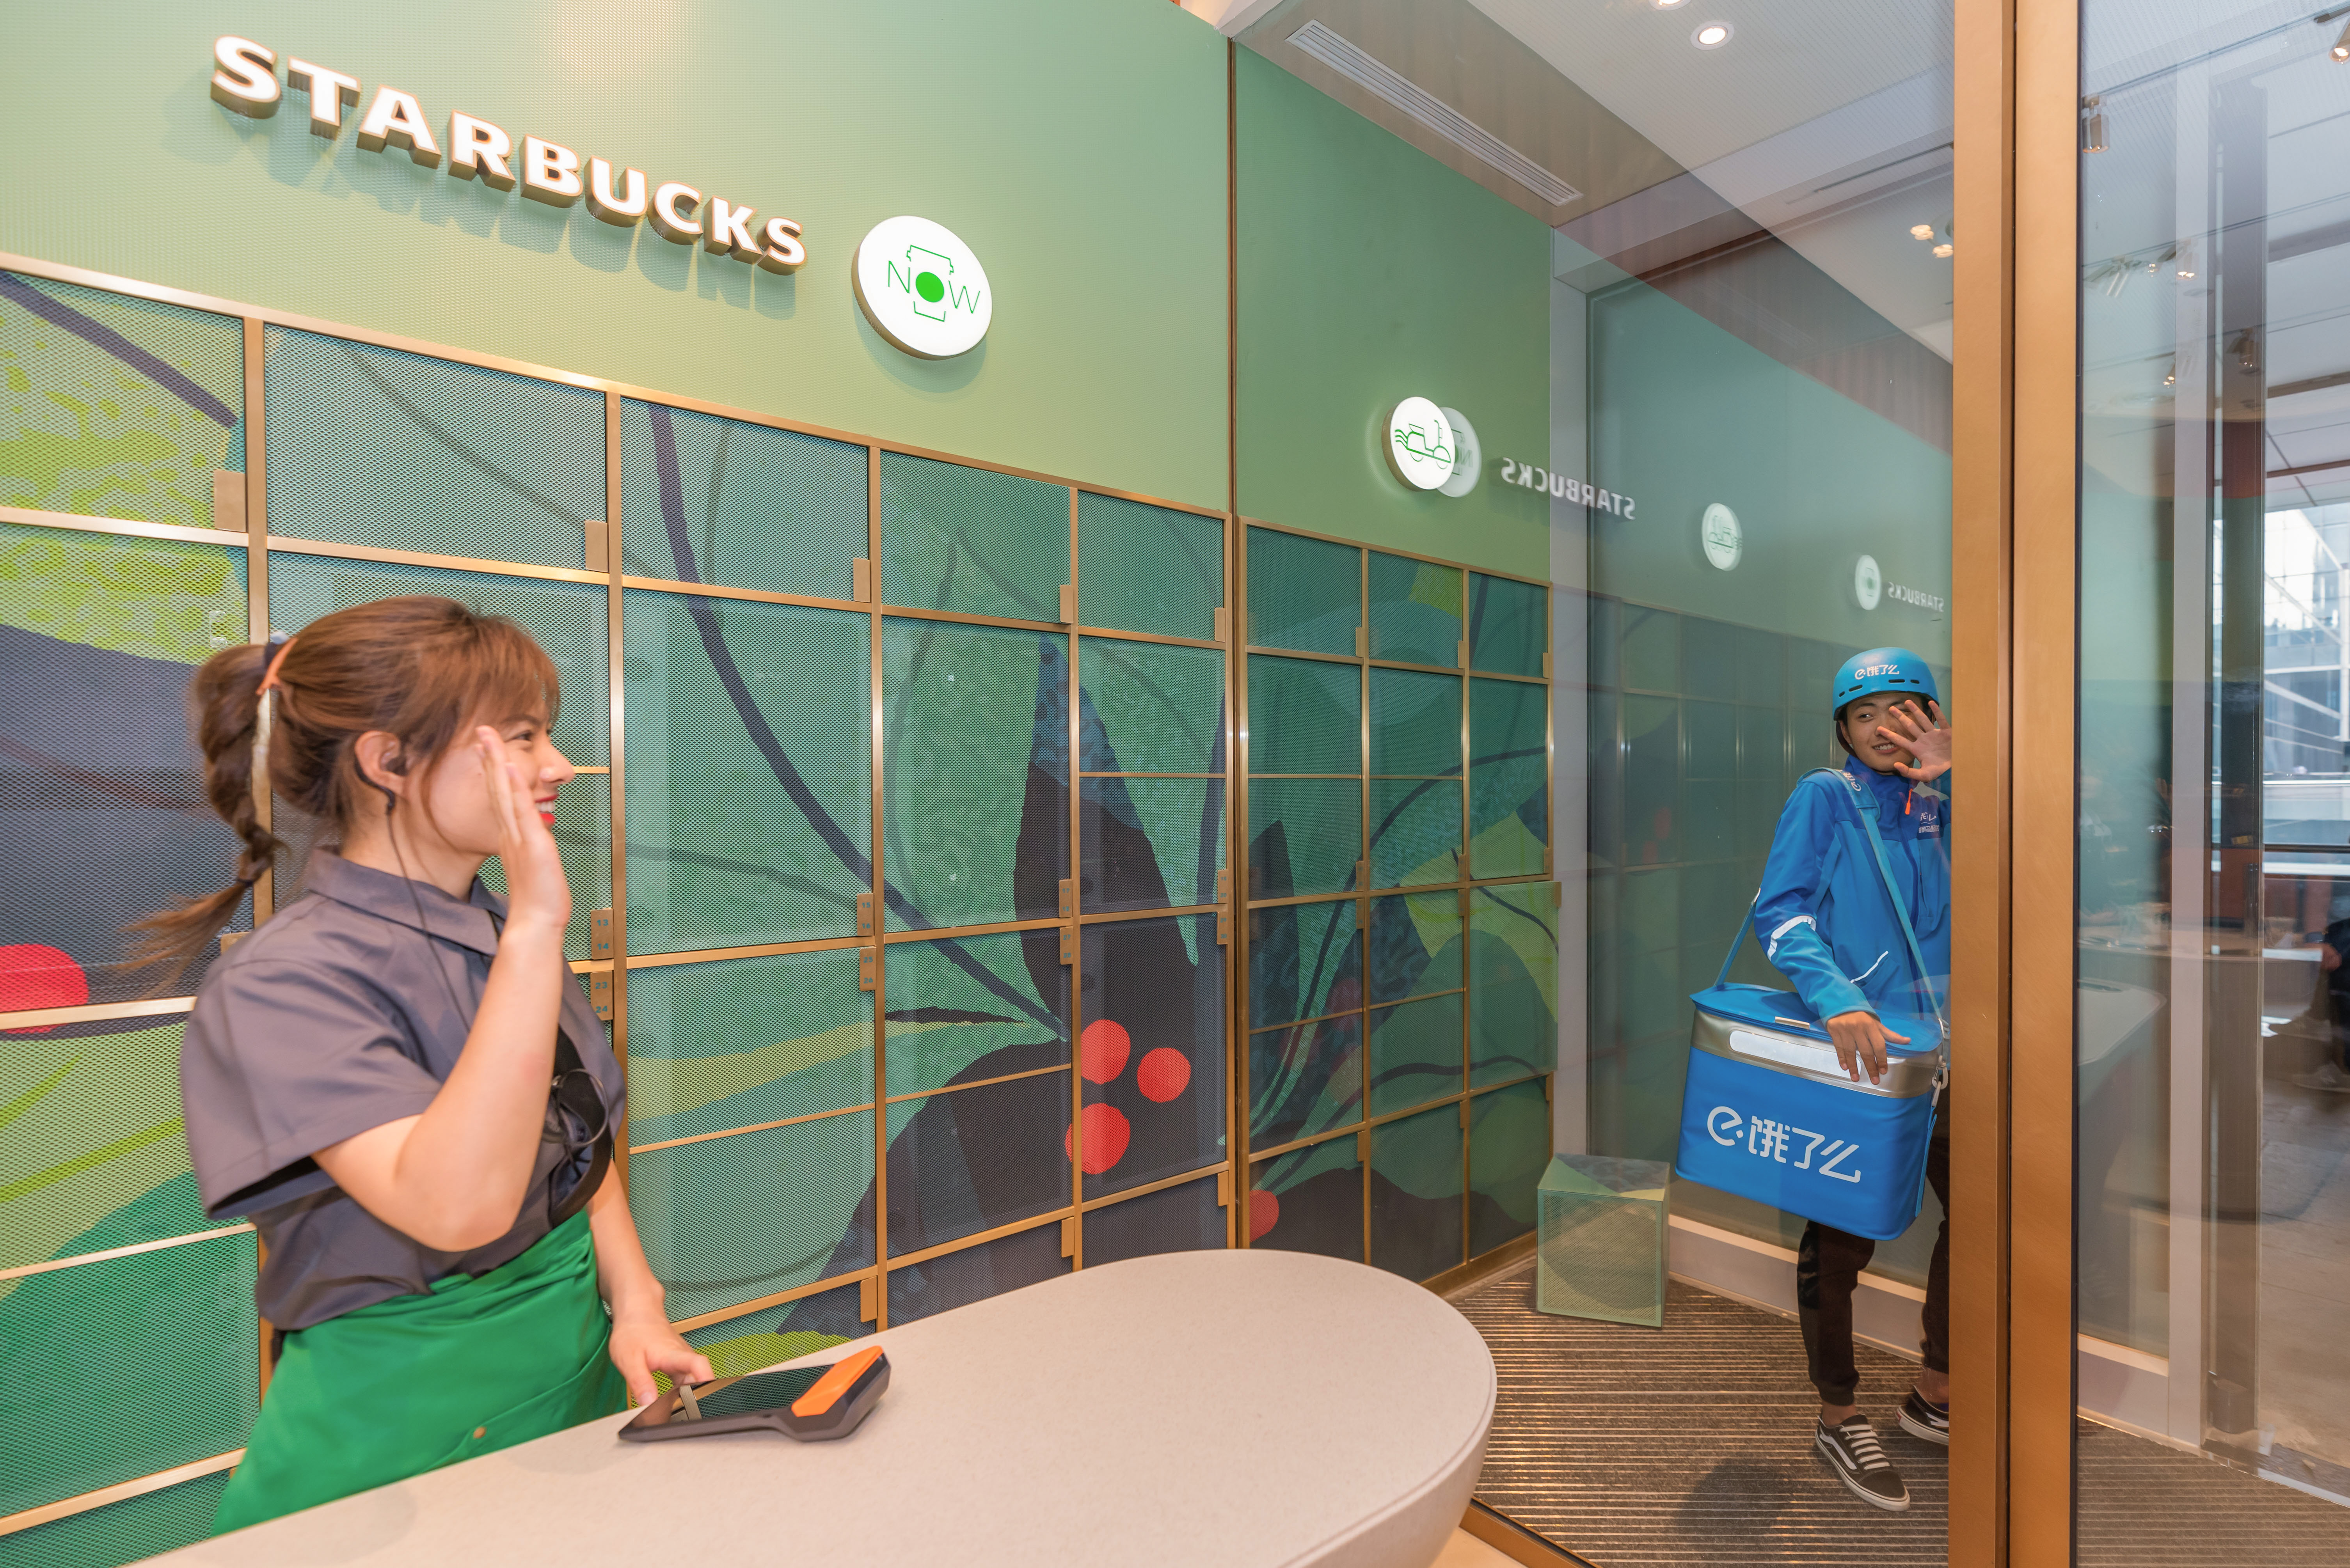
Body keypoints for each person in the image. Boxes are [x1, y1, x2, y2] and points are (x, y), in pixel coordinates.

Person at [136, 596, 711, 1534]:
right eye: (521, 739)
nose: (559, 766)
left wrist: (637, 1305)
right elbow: (457, 1206)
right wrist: (535, 927)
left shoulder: (498, 926)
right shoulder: (284, 983)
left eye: (548, 736)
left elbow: (576, 1139)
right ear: (389, 760)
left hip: (569, 1369)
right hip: (393, 1430)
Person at [1749, 647, 1952, 1512]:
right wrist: (1836, 999)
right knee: (1841, 1243)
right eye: (1868, 715)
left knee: (1981, 1220)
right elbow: (1781, 910)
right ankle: (1838, 1415)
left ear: (1933, 722)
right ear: (1843, 728)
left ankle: (1936, 1392)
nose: (1886, 728)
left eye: (1906, 711)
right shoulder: (1824, 798)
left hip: (1950, 1050)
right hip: (1862, 1057)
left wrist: (1957, 784)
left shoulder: (1947, 806)